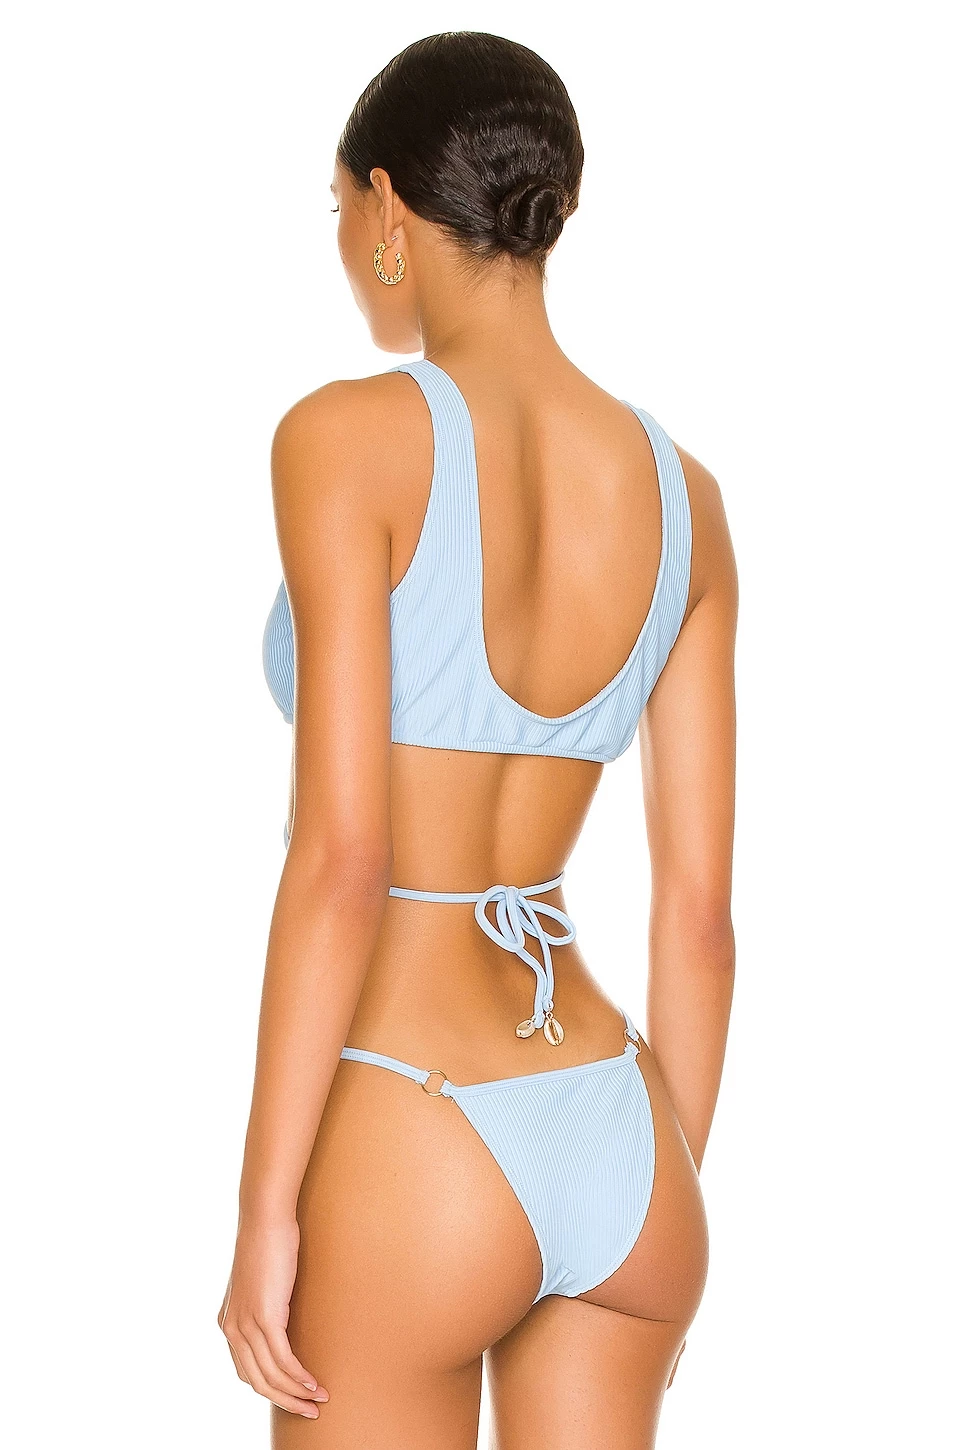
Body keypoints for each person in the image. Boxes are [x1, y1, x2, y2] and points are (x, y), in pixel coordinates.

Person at [219, 30, 738, 1449]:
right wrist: (662, 1190)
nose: (345, 245)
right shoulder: (685, 497)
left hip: (417, 1119)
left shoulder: (345, 440)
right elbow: (698, 918)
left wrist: (265, 1211)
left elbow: (342, 862)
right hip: (622, 1123)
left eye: (339, 210)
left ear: (388, 207)